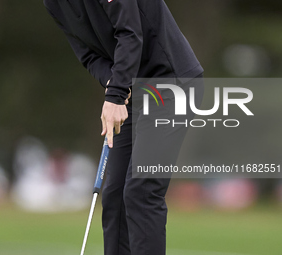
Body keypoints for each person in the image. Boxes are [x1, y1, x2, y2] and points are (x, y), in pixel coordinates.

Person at [43, 0, 204, 254]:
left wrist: (115, 95)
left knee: (141, 190)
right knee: (115, 196)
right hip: (131, 89)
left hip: (171, 83)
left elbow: (130, 33)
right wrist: (113, 82)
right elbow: (87, 54)